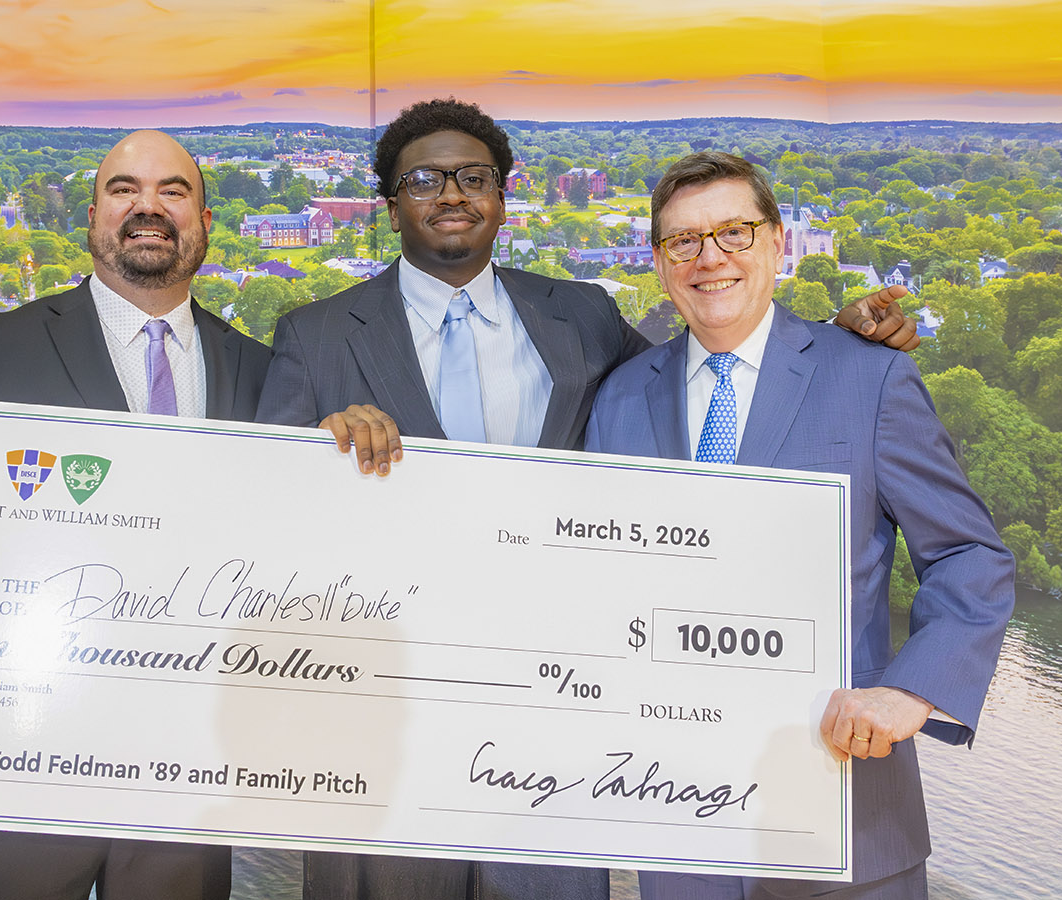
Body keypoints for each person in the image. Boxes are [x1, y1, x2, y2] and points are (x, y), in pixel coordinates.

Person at [256, 99, 924, 900]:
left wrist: (834, 339)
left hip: (558, 758)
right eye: (424, 178)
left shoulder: (579, 316)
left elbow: (712, 384)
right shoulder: (314, 336)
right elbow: (268, 534)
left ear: (504, 196)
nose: (452, 194)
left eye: (475, 177)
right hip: (390, 748)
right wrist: (313, 449)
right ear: (389, 199)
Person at [584, 151, 1016, 900]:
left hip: (850, 823)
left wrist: (908, 693)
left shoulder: (871, 376)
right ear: (658, 262)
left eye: (733, 233)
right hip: (683, 833)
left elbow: (970, 556)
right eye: (683, 241)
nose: (709, 258)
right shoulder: (619, 399)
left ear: (779, 242)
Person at [0, 129, 271, 900]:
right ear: (92, 216)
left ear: (206, 221)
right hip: (24, 758)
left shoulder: (262, 369)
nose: (148, 206)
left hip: (185, 775)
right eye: (124, 189)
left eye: (173, 190)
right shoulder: (1, 346)